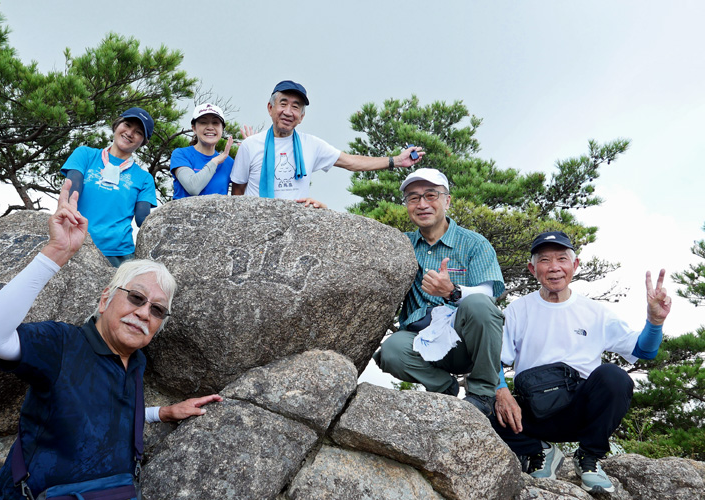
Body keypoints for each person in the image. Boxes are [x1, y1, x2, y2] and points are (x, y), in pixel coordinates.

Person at [0, 179, 221, 499]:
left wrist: (165, 413)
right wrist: (56, 253)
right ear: (105, 299)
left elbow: (106, 409)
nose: (145, 313)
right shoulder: (62, 344)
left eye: (157, 310)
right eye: (136, 297)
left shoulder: (136, 360)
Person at [491, 231, 670, 494]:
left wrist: (655, 321)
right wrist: (501, 391)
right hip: (531, 412)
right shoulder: (518, 310)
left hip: (580, 409)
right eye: (544, 260)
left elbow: (643, 350)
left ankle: (588, 457)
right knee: (482, 403)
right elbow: (495, 361)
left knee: (614, 377)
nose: (554, 268)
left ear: (574, 266)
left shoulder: (596, 312)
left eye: (562, 259)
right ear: (532, 268)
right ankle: (539, 450)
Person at [373, 168, 506, 415]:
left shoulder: (474, 243)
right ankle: (445, 388)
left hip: (464, 342)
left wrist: (452, 291)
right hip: (420, 339)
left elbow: (489, 295)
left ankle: (482, 394)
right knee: (390, 352)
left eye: (431, 195)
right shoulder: (402, 244)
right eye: (413, 198)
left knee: (478, 304)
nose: (422, 204)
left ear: (447, 200)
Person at [230, 80, 425, 207]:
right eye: (283, 103)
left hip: (294, 227)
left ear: (302, 117)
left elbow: (351, 162)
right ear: (270, 108)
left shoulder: (311, 145)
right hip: (257, 226)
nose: (288, 112)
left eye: (296, 107)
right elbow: (238, 192)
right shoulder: (251, 146)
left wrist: (396, 160)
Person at [61, 107, 158, 267]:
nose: (130, 133)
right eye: (127, 125)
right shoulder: (85, 154)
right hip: (76, 243)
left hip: (119, 256)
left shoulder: (144, 178)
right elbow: (72, 190)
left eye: (139, 132)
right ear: (117, 124)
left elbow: (144, 221)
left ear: (143, 141)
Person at [170, 103, 235, 199]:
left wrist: (250, 150)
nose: (210, 127)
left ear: (222, 129)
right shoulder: (181, 154)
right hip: (184, 213)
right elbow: (193, 187)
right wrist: (214, 162)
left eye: (215, 123)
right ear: (194, 128)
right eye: (203, 122)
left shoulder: (229, 162)